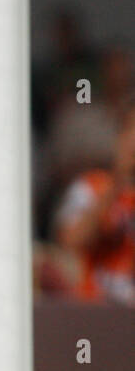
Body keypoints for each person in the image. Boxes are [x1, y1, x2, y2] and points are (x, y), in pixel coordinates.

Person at [53, 100, 135, 305]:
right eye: (130, 130)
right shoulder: (90, 186)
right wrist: (117, 185)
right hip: (96, 312)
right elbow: (71, 240)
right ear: (119, 138)